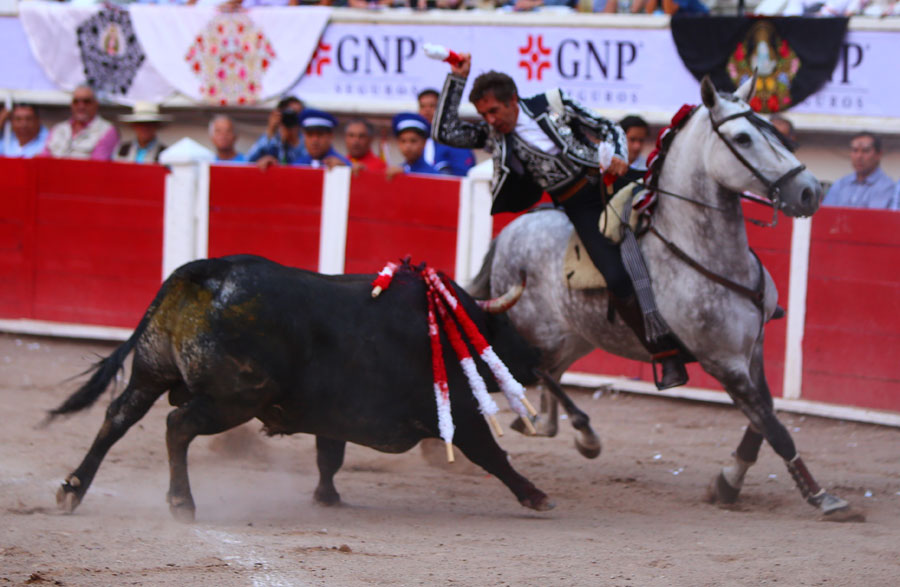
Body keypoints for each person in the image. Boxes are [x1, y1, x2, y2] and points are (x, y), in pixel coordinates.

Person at [432, 53, 688, 389]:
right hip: (580, 205)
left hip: (614, 181)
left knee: (687, 215)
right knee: (616, 277)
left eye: (494, 110)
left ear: (513, 100)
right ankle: (665, 355)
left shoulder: (553, 102)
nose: (490, 120)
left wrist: (617, 155)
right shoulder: (494, 137)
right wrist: (457, 78)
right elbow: (443, 131)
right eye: (483, 114)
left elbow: (607, 126)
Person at [41, 85, 118, 160]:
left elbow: (97, 166)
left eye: (86, 102)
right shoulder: (58, 129)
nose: (81, 106)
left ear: (96, 104)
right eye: (76, 102)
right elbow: (43, 160)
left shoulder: (107, 130)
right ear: (71, 105)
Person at [823, 132, 897, 209]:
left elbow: (873, 218)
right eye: (855, 150)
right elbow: (825, 214)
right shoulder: (841, 184)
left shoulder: (886, 187)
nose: (859, 156)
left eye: (865, 151)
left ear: (878, 154)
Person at [417, 88, 476, 176]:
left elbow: (463, 175)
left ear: (443, 109)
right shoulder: (418, 138)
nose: (427, 111)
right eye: (422, 106)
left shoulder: (455, 140)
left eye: (432, 106)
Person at [247, 95, 306, 163]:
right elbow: (249, 160)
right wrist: (270, 131)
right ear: (280, 115)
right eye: (288, 114)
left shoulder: (307, 139)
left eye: (297, 114)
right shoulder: (274, 139)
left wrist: (295, 142)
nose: (292, 118)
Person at [387, 113, 441, 177]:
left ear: (424, 143)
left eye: (413, 141)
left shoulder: (433, 175)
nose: (408, 146)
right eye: (403, 141)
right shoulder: (396, 172)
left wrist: (406, 174)